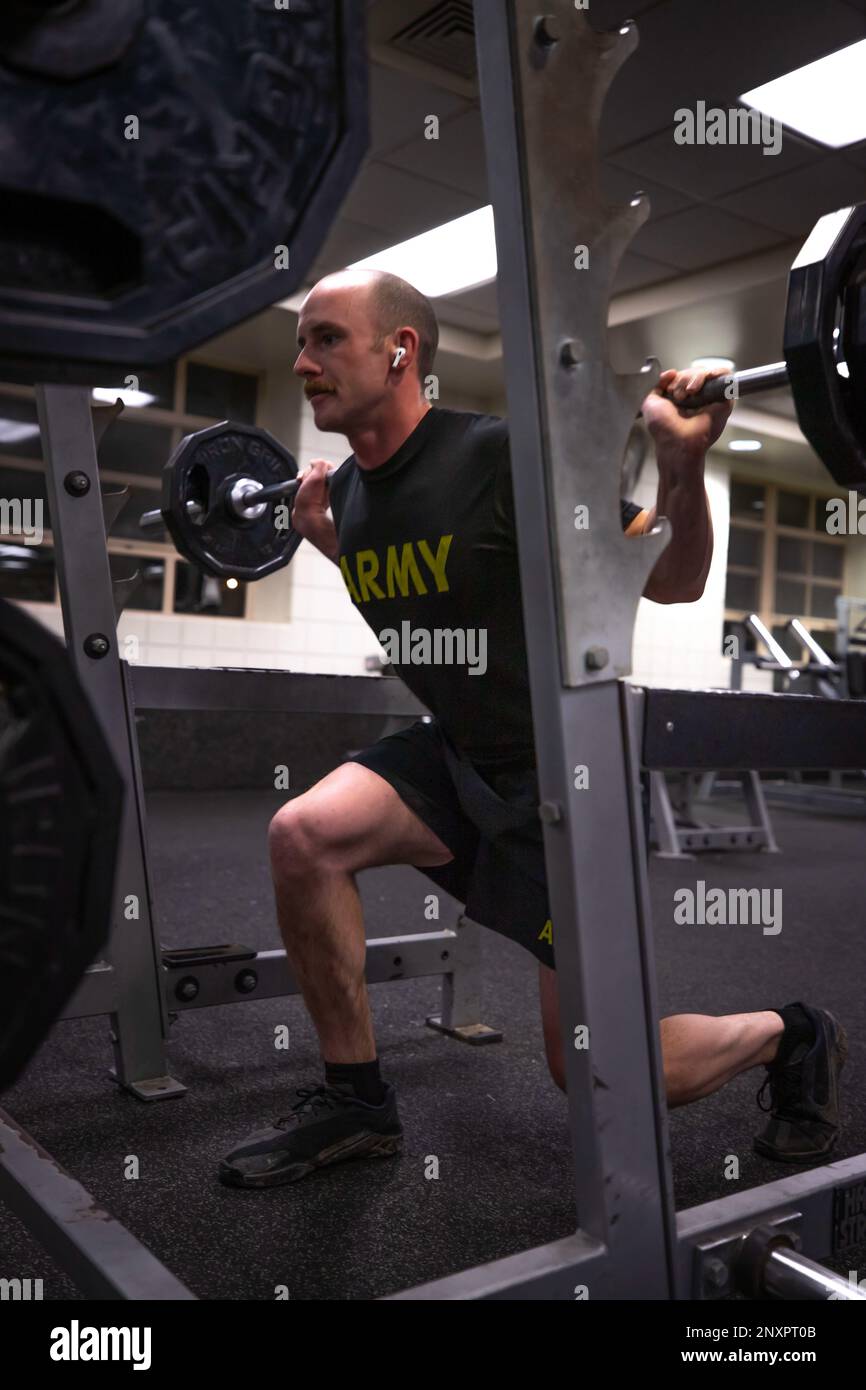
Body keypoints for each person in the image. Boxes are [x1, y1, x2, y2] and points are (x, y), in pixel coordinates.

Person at [219, 269, 846, 1188]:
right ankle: (356, 1101)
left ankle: (790, 1035)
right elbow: (419, 601)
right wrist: (324, 537)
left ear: (402, 352)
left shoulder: (500, 462)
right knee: (303, 834)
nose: (303, 361)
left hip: (562, 778)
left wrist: (680, 460)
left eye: (326, 340)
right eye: (301, 344)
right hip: (459, 751)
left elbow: (670, 579)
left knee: (594, 1072)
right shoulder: (347, 497)